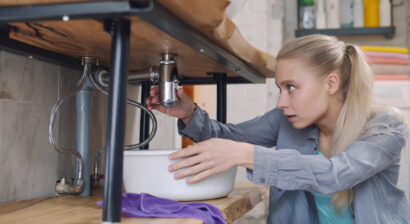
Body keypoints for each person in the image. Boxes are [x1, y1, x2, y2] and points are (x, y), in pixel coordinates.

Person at [146, 34, 409, 224]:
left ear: (330, 83)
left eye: (291, 87)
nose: (282, 102)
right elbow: (230, 139)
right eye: (280, 89)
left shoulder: (385, 126)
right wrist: (189, 113)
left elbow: (335, 175)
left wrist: (246, 154)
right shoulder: (286, 119)